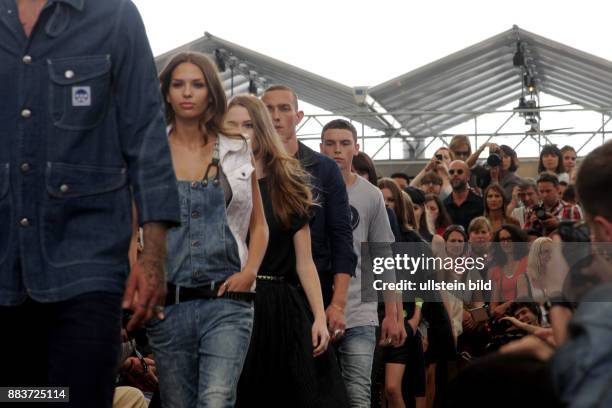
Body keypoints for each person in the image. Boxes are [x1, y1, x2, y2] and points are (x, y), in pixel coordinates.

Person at [0, 1, 180, 407]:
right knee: (21, 398)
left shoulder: (113, 17)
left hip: (88, 267)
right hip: (4, 267)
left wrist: (152, 258)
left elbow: (147, 138)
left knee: (76, 398)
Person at [145, 53, 269, 407]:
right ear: (167, 92)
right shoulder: (149, 150)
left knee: (216, 399)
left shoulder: (237, 148)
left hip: (228, 299)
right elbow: (130, 224)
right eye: (178, 84)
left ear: (211, 93)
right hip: (168, 303)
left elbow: (259, 224)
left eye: (197, 84)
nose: (188, 93)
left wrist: (250, 272)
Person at [225, 95, 348, 407]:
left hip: (282, 306)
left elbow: (305, 263)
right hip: (231, 301)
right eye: (233, 125)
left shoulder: (288, 181)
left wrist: (319, 316)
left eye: (249, 125)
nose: (241, 132)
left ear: (262, 130)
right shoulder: (215, 182)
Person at [262, 85, 357, 343]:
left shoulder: (324, 168)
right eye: (268, 109)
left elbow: (341, 237)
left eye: (284, 108)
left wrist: (337, 304)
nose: (276, 116)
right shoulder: (249, 165)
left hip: (313, 290)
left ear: (299, 116)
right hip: (262, 290)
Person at [320, 119, 401, 407]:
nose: (337, 150)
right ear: (321, 148)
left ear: (356, 148)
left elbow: (384, 257)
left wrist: (392, 312)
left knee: (357, 395)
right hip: (315, 310)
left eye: (344, 144)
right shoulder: (308, 189)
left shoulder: (370, 195)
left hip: (360, 312)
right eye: (330, 144)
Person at [488, 225, 529, 318]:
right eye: (502, 240)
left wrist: (505, 306)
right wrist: (494, 312)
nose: (505, 242)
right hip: (507, 318)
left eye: (509, 239)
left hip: (526, 313)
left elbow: (525, 297)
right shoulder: (496, 269)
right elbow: (493, 303)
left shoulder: (527, 262)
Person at [443, 160, 484, 231]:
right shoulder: (443, 206)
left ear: (468, 177)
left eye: (460, 172)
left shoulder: (480, 203)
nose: (455, 174)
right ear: (448, 176)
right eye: (451, 172)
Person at [516, 237, 553, 302]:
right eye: (546, 251)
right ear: (536, 255)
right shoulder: (523, 278)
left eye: (552, 251)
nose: (550, 255)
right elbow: (524, 306)